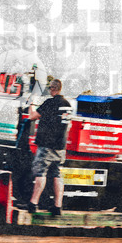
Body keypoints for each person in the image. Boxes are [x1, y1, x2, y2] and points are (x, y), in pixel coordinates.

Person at [27, 78, 71, 216]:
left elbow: (32, 116)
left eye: (50, 88)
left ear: (53, 88)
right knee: (57, 174)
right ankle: (57, 206)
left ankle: (33, 204)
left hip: (47, 145)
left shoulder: (50, 103)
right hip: (60, 147)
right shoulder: (67, 105)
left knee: (41, 173)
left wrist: (31, 103)